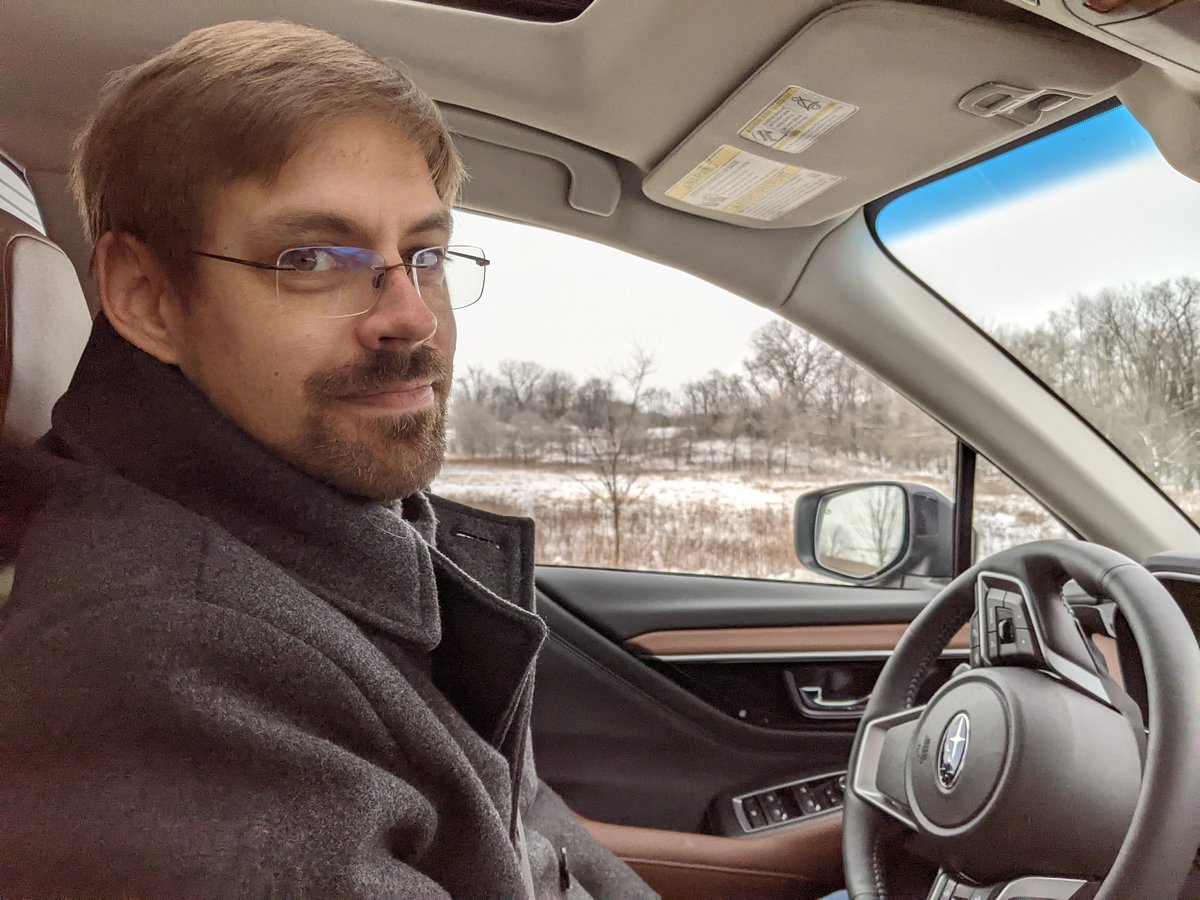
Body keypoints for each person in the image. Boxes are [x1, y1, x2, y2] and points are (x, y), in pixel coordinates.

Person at [0, 20, 656, 899]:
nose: (412, 317)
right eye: (309, 258)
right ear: (146, 298)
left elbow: (521, 830)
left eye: (425, 255)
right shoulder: (160, 657)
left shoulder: (326, 527)